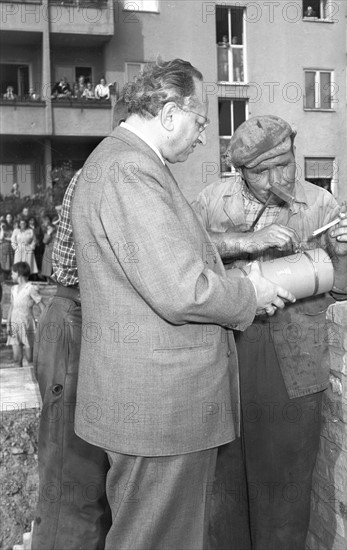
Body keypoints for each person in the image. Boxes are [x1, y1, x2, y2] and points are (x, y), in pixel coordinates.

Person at [71, 59, 293, 549]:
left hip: (154, 405)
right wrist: (249, 294)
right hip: (159, 411)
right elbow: (180, 288)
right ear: (170, 113)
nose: (201, 138)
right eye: (200, 122)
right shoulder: (130, 170)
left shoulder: (127, 164)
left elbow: (160, 271)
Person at [194, 114, 347, 550]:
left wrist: (345, 254)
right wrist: (241, 242)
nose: (277, 179)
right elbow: (181, 261)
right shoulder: (212, 202)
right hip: (222, 357)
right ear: (239, 170)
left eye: (285, 164)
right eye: (261, 171)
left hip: (293, 364)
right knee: (223, 491)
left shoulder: (321, 203)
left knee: (285, 494)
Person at [31, 100, 130, 550]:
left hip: (81, 320)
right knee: (74, 484)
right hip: (74, 323)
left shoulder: (113, 166)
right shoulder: (113, 171)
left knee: (90, 481)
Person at [6, 262, 45, 367]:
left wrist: (44, 321)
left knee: (30, 358)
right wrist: (8, 324)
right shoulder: (13, 289)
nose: (11, 275)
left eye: (13, 273)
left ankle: (32, 381)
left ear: (19, 273)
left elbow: (41, 305)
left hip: (27, 324)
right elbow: (12, 306)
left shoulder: (30, 288)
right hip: (14, 324)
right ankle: (18, 381)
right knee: (16, 358)